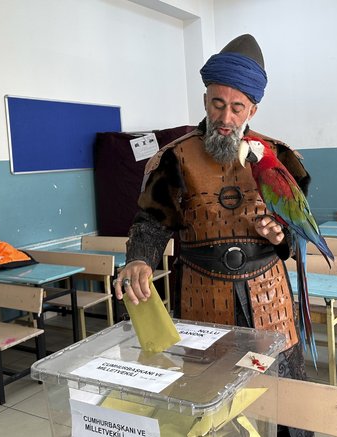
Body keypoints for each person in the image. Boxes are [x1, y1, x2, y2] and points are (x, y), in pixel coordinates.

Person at [114, 34, 313, 437]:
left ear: (253, 108)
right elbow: (151, 223)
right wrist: (139, 258)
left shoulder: (281, 158)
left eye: (236, 107)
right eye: (217, 104)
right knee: (207, 399)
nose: (225, 117)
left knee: (289, 400)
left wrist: (279, 236)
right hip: (200, 294)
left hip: (268, 292)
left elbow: (295, 241)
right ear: (205, 100)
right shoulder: (174, 157)